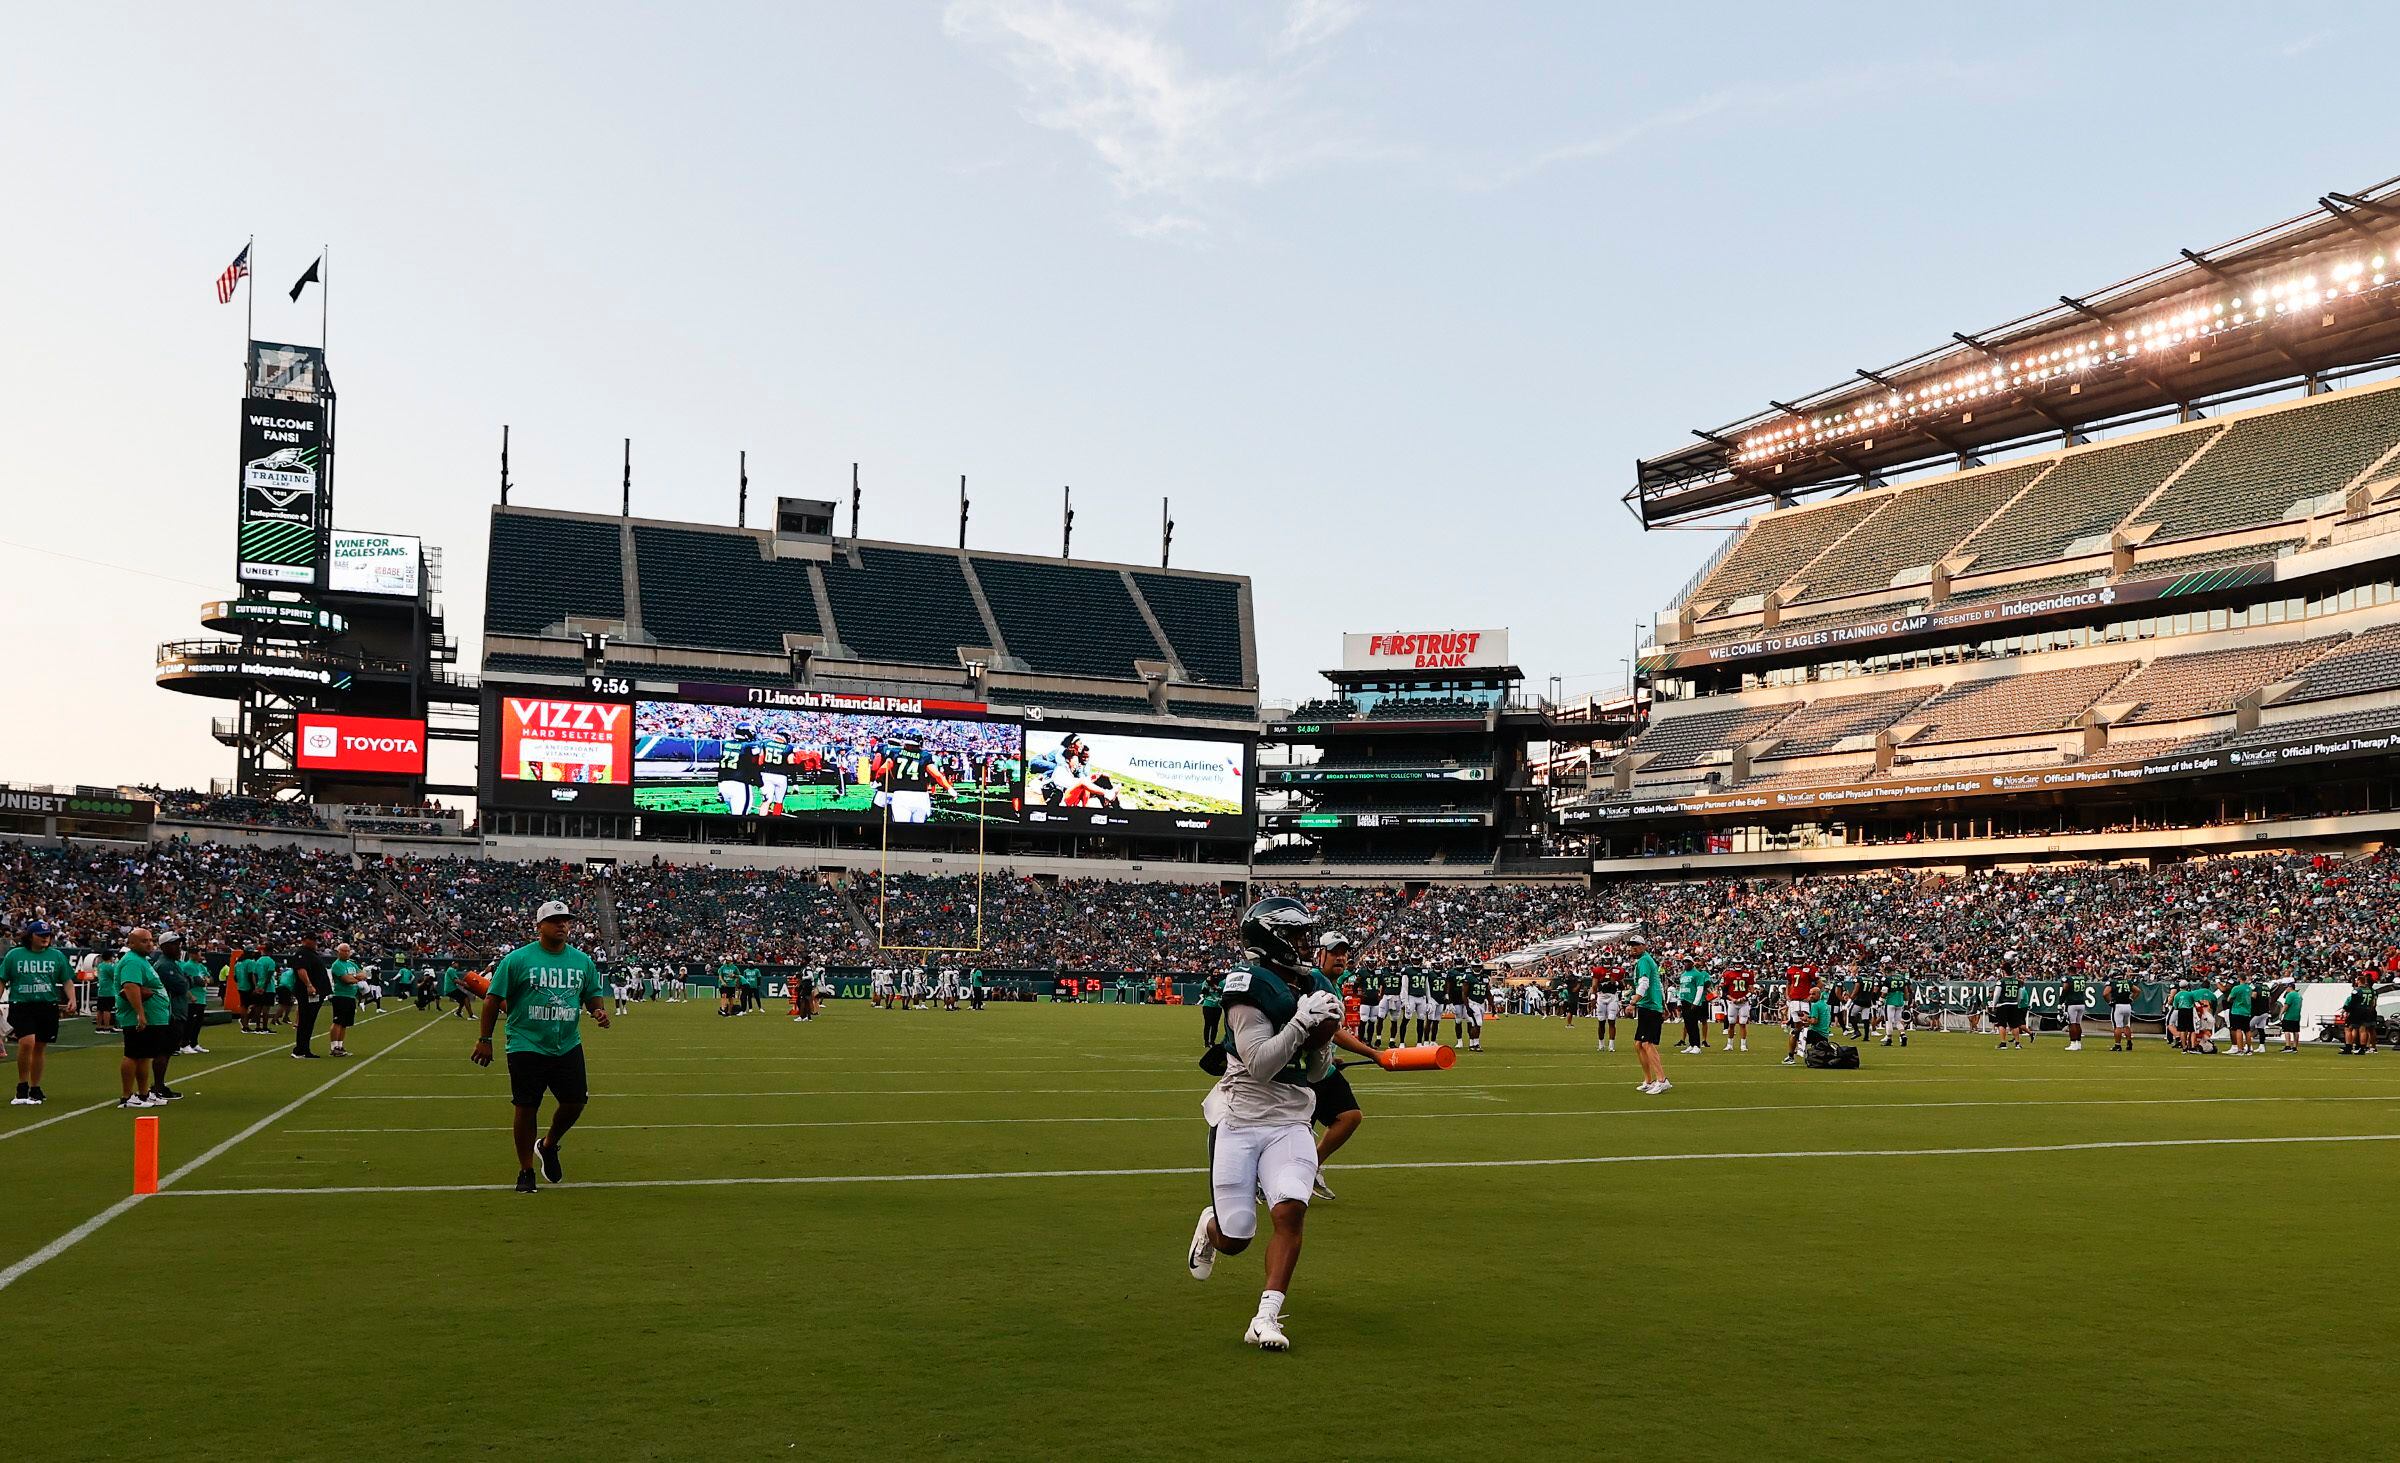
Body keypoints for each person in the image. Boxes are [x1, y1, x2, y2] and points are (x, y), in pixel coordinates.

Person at [1185, 896, 1342, 1351]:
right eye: (1295, 936)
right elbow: (1257, 1064)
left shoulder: (1312, 982)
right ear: (1270, 939)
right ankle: (1210, 1226)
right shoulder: (1248, 986)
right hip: (1242, 1117)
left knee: (1291, 1210)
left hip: (1292, 1117)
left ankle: (1266, 1317)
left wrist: (1323, 1041)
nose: (1304, 944)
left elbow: (1314, 1074)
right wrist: (1299, 1024)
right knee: (1236, 1237)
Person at [471, 900, 612, 1194]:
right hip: (526, 1042)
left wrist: (597, 1011)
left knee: (575, 1102)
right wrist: (485, 1039)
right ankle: (525, 1170)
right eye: (556, 920)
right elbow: (492, 999)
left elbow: (591, 996)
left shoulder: (582, 961)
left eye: (567, 920)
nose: (563, 925)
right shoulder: (517, 960)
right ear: (540, 926)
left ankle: (548, 1146)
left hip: (567, 1042)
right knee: (526, 1107)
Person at [1303, 932, 1387, 1201]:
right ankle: (1267, 1178)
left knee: (1350, 1116)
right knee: (1294, 1132)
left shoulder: (1332, 983)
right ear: (1321, 955)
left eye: (1344, 953)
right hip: (1304, 1073)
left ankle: (1310, 1166)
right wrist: (1373, 1053)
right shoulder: (1317, 980)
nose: (1340, 957)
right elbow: (1334, 1031)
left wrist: (1332, 1056)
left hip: (1323, 1068)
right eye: (1334, 952)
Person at [5, 920, 76, 1105]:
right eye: (41, 935)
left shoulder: (56, 955)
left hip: (47, 1004)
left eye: (48, 935)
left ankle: (35, 1087)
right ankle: (22, 1085)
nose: (46, 939)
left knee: (40, 1047)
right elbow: (2, 978)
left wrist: (72, 999)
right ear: (30, 936)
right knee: (27, 1042)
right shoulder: (15, 955)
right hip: (22, 1003)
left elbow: (66, 979)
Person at [115, 928, 173, 1108]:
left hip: (154, 1016)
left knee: (144, 1056)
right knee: (133, 1054)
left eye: (150, 940)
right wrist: (140, 1013)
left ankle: (143, 1093)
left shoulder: (143, 960)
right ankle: (127, 1096)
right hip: (138, 1017)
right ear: (131, 943)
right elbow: (130, 987)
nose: (149, 943)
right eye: (143, 941)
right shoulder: (132, 961)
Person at [1627, 933, 1669, 1095]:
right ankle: (1648, 1080)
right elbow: (1656, 983)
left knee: (1648, 1044)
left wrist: (1633, 1002)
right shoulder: (1645, 960)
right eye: (1631, 945)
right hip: (1649, 1005)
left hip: (1650, 1006)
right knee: (1639, 1044)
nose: (1633, 947)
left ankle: (1662, 1080)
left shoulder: (1644, 960)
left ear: (1644, 946)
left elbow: (1645, 983)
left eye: (1636, 945)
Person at [290, 933, 329, 1059]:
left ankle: (304, 1048)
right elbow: (301, 969)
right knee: (306, 1020)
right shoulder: (302, 953)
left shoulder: (310, 953)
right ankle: (300, 1049)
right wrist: (309, 985)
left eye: (315, 940)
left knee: (309, 1021)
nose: (315, 942)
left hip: (315, 992)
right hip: (308, 992)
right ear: (304, 940)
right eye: (312, 940)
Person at [1782, 961, 1819, 1067]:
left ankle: (1808, 1053)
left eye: (1800, 959)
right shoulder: (1791, 970)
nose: (1798, 961)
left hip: (1804, 1002)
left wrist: (1811, 997)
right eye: (1796, 959)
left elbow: (1819, 983)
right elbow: (1788, 983)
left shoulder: (1810, 969)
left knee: (1807, 1027)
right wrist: (1787, 995)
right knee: (1796, 1029)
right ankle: (1791, 1055)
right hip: (1794, 1001)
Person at [1676, 960, 1711, 1055]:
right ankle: (1691, 1044)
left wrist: (1696, 1002)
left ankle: (1697, 1046)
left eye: (1687, 962)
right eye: (1684, 962)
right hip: (1684, 1000)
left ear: (1692, 963)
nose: (1685, 964)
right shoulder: (1683, 974)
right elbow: (1681, 988)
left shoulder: (1697, 974)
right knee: (1687, 1024)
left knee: (1693, 1024)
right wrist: (1679, 1001)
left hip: (1692, 1001)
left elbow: (1700, 988)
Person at [1720, 963, 1755, 1053]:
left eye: (1740, 964)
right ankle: (1729, 1044)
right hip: (1732, 1002)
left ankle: (1743, 1045)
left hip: (1744, 1002)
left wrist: (1743, 998)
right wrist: (1732, 999)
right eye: (1737, 964)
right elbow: (1724, 991)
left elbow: (1752, 990)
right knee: (1731, 1023)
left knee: (1743, 1023)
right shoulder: (1728, 974)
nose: (1738, 965)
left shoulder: (1748, 974)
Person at [2107, 970, 2140, 1053]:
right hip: (2127, 1006)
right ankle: (2129, 1043)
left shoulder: (2112, 983)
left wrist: (2109, 1001)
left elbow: (2105, 993)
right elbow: (2137, 990)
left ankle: (2117, 1045)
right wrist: (2131, 999)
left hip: (2118, 1006)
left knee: (2117, 1026)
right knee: (2126, 1025)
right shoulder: (2128, 982)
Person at [1880, 967, 1912, 1048]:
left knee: (1888, 1021)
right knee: (1898, 1021)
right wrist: (1906, 1003)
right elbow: (1906, 992)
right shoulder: (1902, 978)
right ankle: (1903, 1035)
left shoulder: (1887, 979)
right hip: (1900, 1001)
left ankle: (1889, 1039)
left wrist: (1880, 1000)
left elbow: (1884, 991)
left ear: (1887, 972)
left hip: (1890, 1001)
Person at [1198, 971, 1223, 1048]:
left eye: (1218, 972)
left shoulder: (1222, 983)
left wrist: (1213, 985)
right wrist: (1208, 984)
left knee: (1215, 1025)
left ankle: (1212, 1041)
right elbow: (1203, 992)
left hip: (1218, 1006)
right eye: (1215, 972)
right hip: (1208, 1005)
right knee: (1208, 1024)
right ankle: (1206, 1042)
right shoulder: (1205, 982)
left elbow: (1221, 991)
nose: (1216, 974)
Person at [2281, 981, 2306, 1053]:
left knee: (2287, 1031)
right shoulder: (2299, 995)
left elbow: (2286, 1005)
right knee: (2296, 1031)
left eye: (2286, 987)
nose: (2286, 989)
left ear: (2290, 987)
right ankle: (2295, 1047)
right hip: (2297, 1016)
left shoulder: (2290, 995)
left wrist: (2281, 1013)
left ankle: (2287, 1046)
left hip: (2289, 1015)